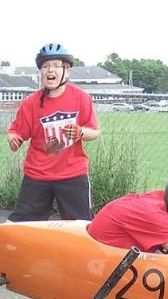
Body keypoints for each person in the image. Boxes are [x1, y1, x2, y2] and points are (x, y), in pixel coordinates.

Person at [6, 43, 101, 221]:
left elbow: (94, 132)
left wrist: (81, 133)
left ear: (68, 71)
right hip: (38, 173)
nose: (51, 70)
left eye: (57, 65)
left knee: (80, 226)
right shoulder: (30, 103)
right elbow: (17, 131)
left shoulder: (81, 97)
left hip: (72, 173)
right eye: (45, 66)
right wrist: (14, 139)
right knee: (24, 226)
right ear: (41, 71)